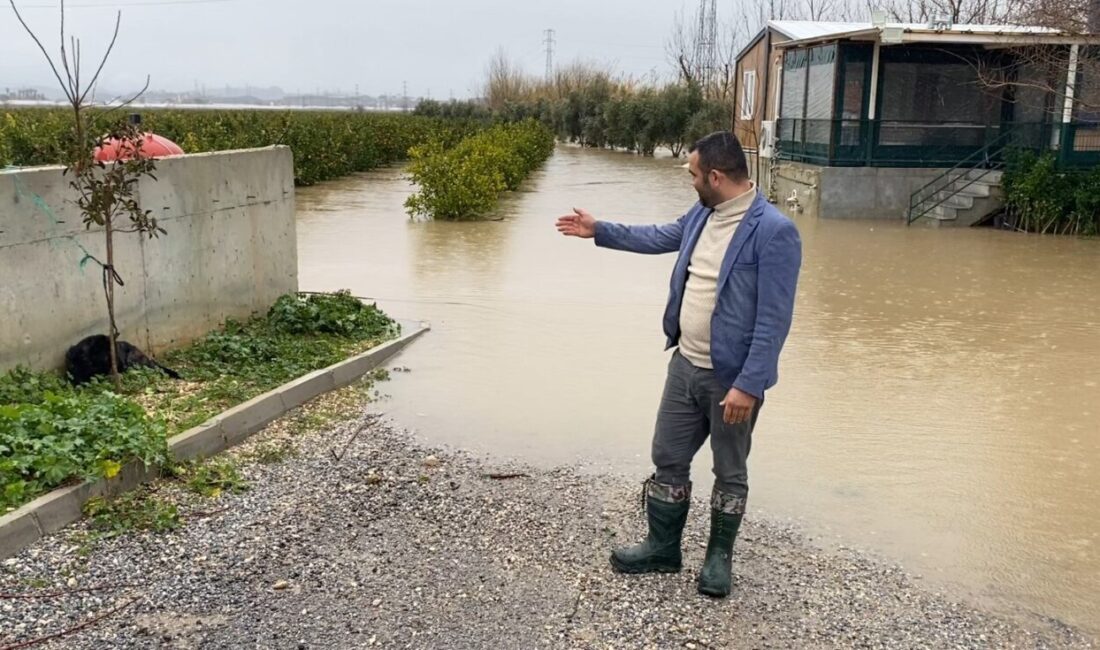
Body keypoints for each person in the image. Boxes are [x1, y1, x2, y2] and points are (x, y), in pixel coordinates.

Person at [555, 131, 802, 597]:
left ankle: (717, 560)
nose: (689, 182)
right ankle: (663, 548)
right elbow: (660, 236)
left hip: (732, 380)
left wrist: (749, 385)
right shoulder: (702, 214)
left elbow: (774, 318)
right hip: (685, 364)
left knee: (729, 471)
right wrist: (599, 229)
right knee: (667, 456)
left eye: (692, 174)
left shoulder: (774, 231)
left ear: (715, 175)